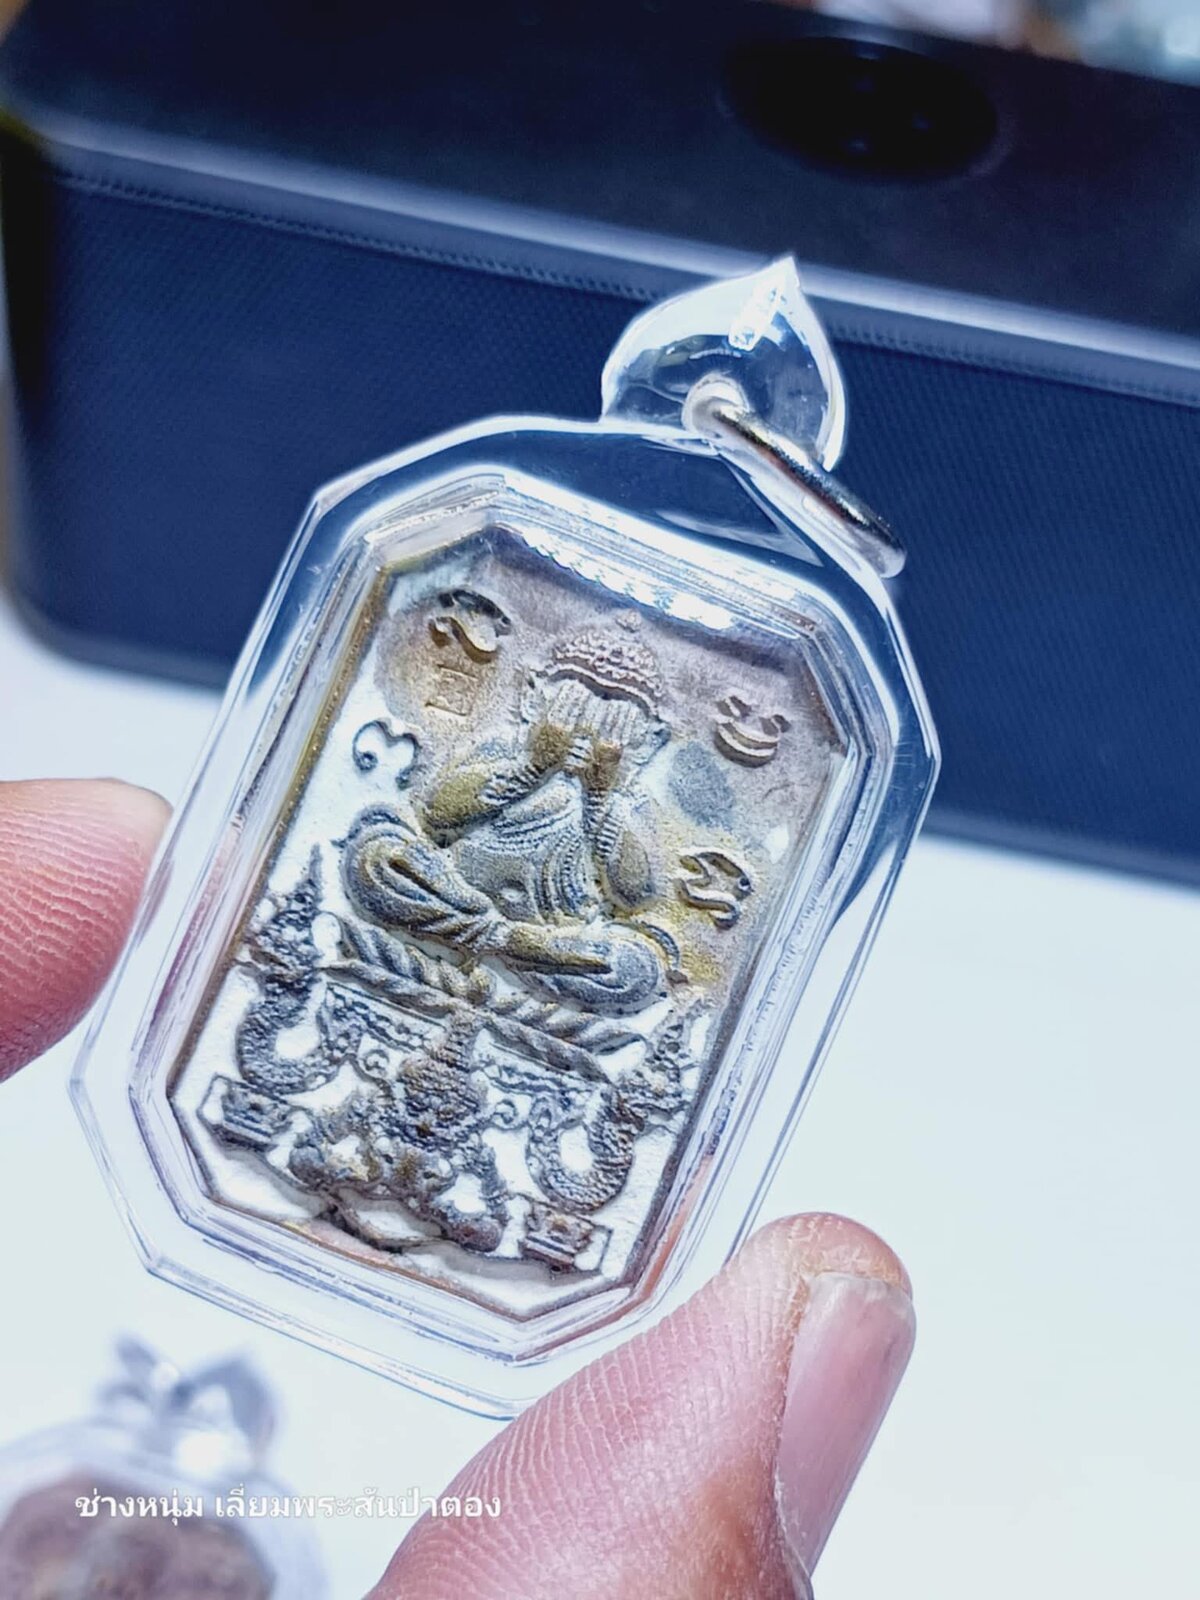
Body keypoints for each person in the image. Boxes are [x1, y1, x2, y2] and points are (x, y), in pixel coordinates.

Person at [0, 776, 916, 1600]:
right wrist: (528, 771)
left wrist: (599, 804)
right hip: (441, 925)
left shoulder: (609, 807)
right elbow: (427, 819)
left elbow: (637, 895)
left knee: (636, 961)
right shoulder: (517, 774)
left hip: (539, 961)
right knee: (377, 853)